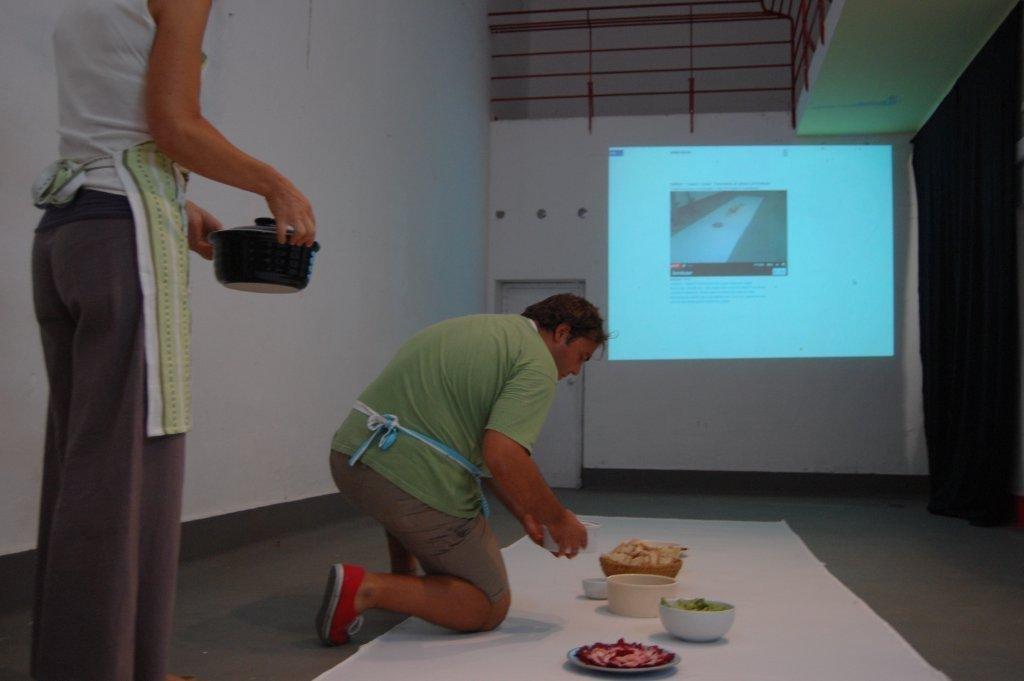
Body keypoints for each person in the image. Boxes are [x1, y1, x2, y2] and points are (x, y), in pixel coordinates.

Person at [30, 1, 315, 679]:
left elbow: (112, 127)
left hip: (68, 229)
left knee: (83, 464)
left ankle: (84, 663)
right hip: (121, 236)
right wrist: (276, 186)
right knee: (131, 470)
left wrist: (175, 200)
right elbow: (175, 125)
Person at [317, 294, 608, 644]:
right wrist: (558, 520)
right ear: (562, 333)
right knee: (488, 603)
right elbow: (504, 454)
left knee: (416, 473)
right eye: (581, 357)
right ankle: (365, 589)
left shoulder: (474, 328)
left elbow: (485, 460)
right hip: (405, 480)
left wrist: (528, 515)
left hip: (352, 458)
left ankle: (403, 577)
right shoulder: (537, 362)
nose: (575, 371)